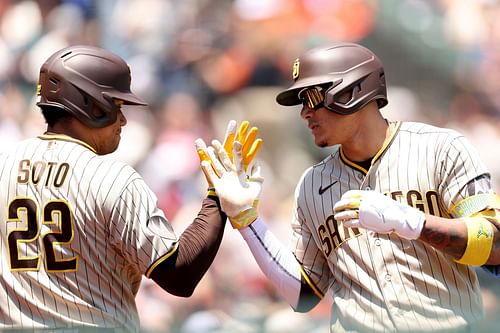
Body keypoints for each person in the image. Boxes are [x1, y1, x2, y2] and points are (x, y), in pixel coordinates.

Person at [198, 42, 500, 333]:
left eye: (312, 97)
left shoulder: (441, 148)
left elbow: (496, 247)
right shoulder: (312, 184)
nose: (304, 112)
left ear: (353, 91)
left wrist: (414, 223)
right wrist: (247, 220)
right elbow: (304, 295)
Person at [0, 45, 261, 332]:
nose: (123, 120)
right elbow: (179, 275)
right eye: (117, 106)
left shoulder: (4, 165)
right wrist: (217, 198)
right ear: (91, 105)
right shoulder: (112, 177)